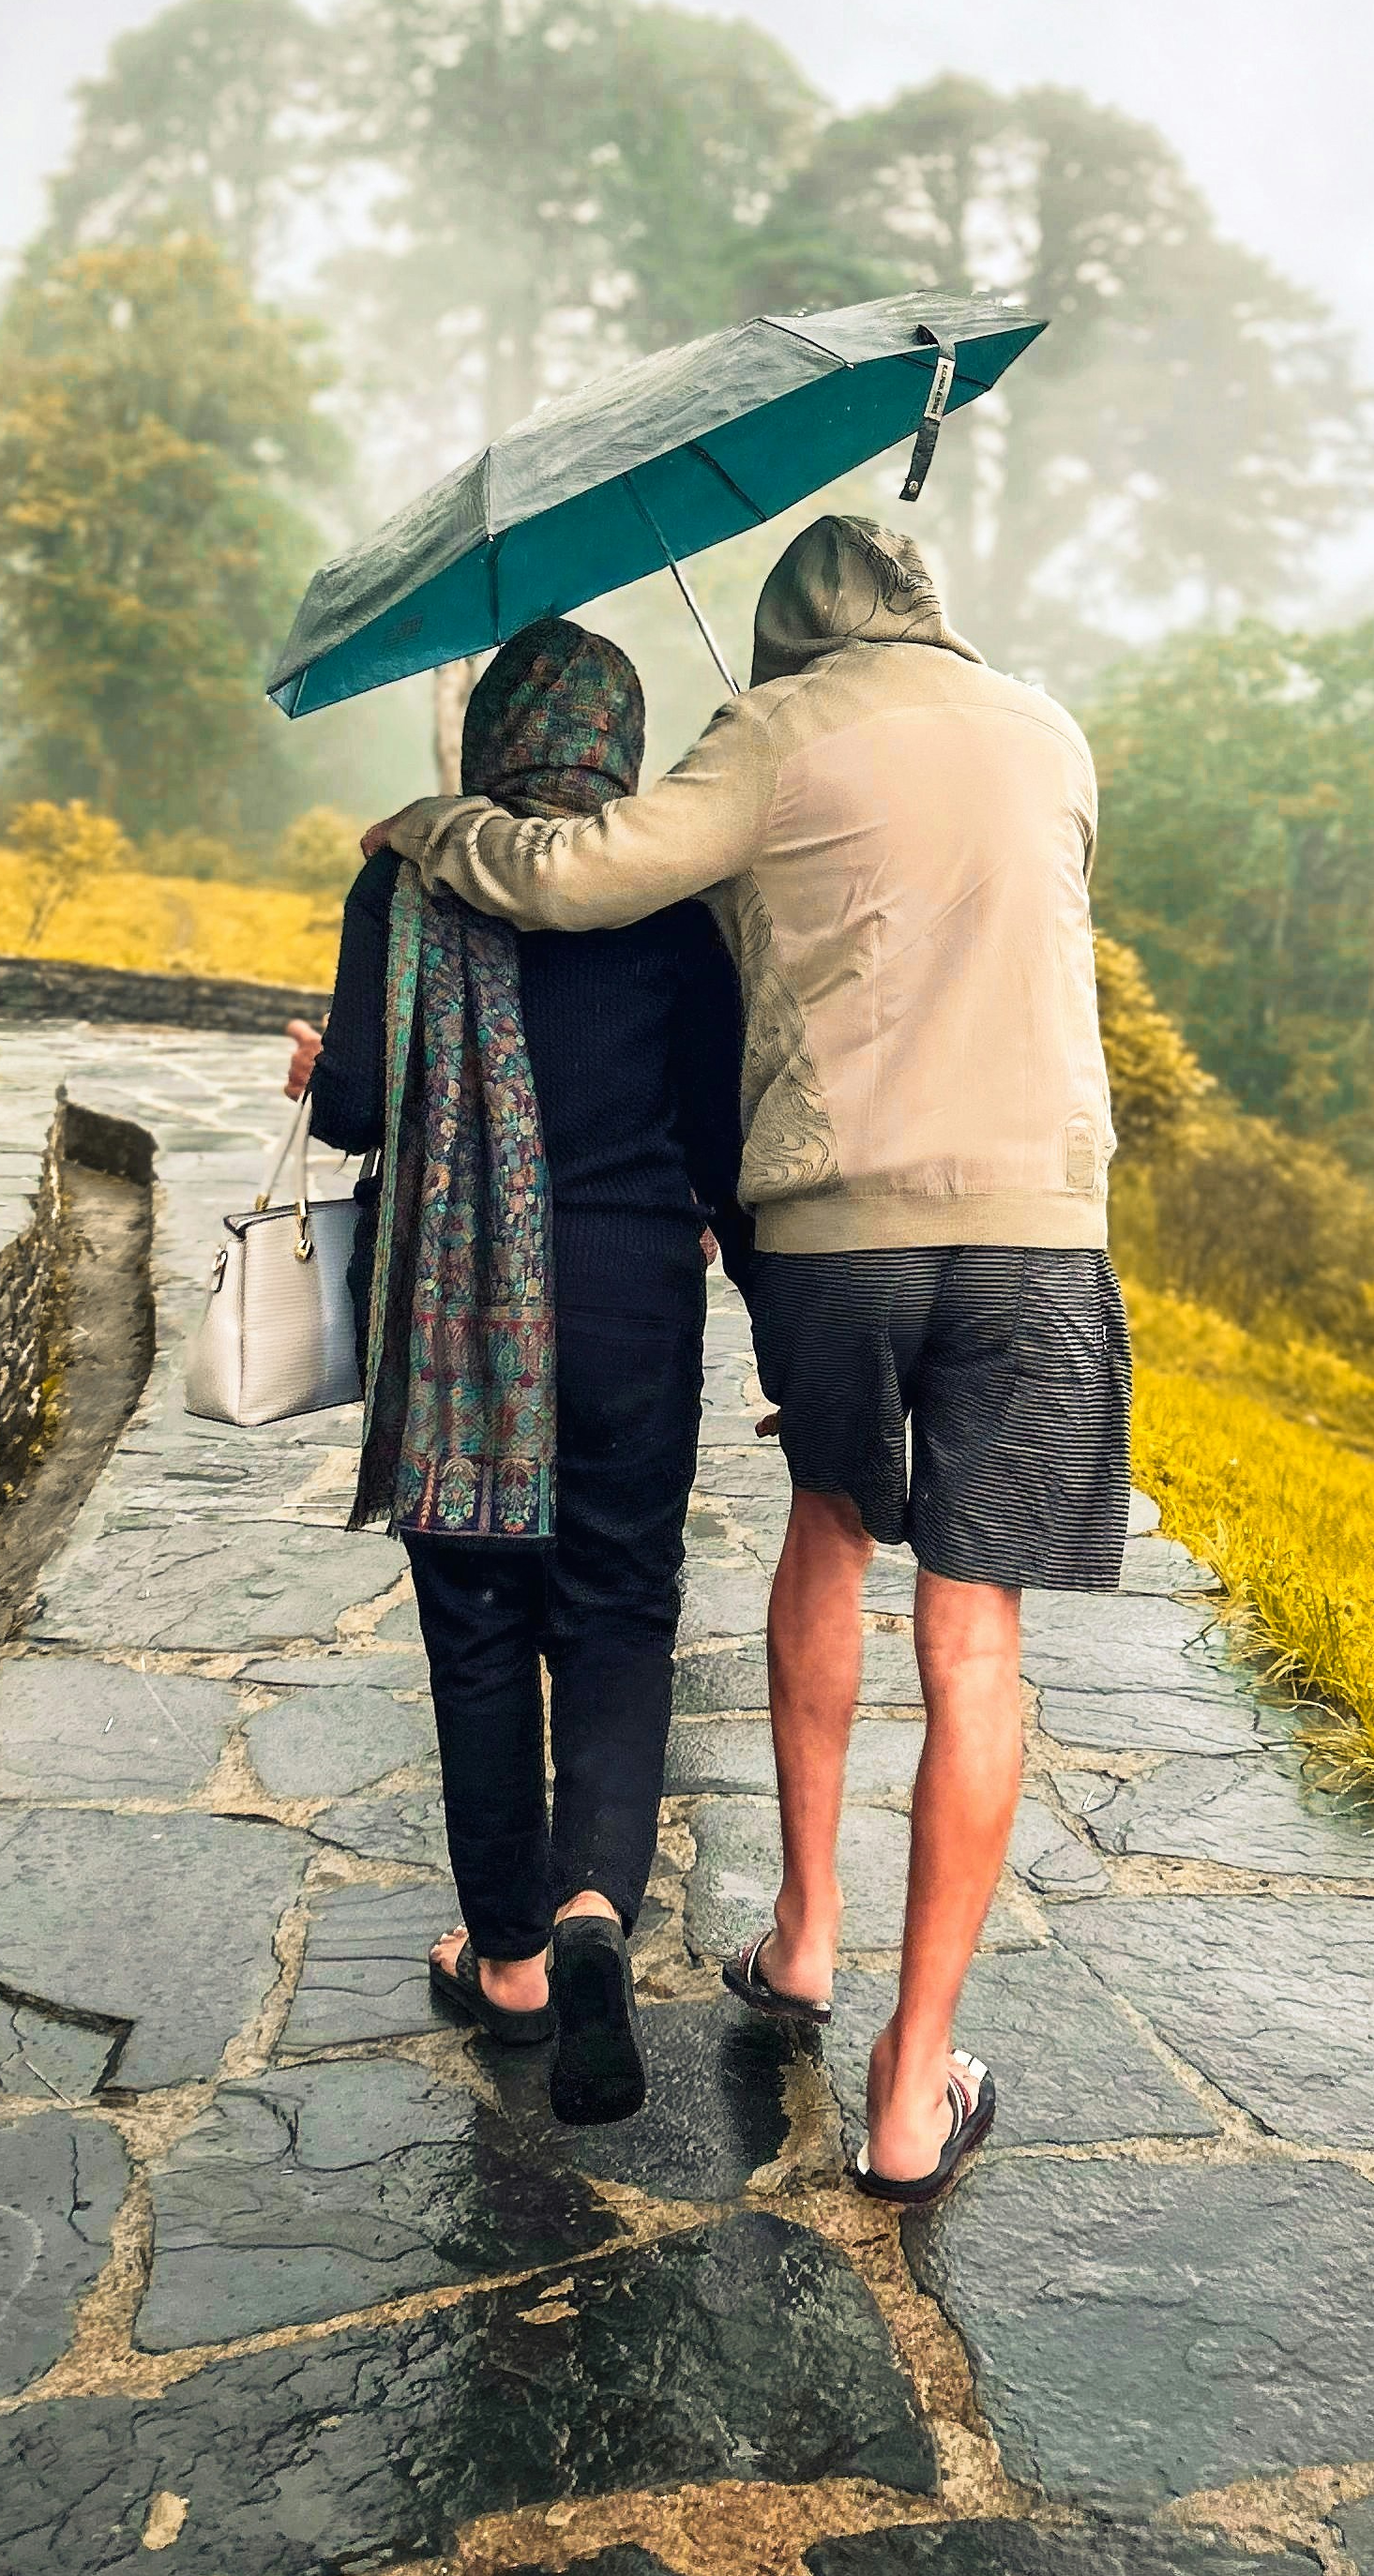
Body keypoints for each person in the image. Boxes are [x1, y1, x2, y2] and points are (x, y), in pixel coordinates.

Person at [365, 510, 1126, 2204]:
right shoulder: (1050, 734)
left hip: (845, 1235)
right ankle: (914, 2093)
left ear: (788, 631)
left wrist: (434, 829)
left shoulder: (774, 728)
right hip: (1036, 1228)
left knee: (834, 1529)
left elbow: (576, 877)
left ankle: (800, 1936)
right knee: (975, 1637)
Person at [289, 614, 747, 2124]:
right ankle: (597, 1906)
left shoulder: (405, 877)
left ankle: (506, 1962)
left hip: (455, 1317)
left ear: (493, 740)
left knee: (478, 1627)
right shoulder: (673, 898)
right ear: (616, 745)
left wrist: (324, 1066)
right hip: (630, 1301)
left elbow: (358, 1108)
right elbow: (721, 1139)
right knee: (619, 1608)